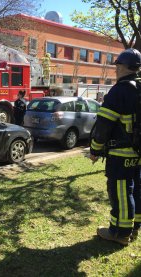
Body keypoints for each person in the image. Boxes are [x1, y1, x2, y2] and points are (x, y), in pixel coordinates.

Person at [90, 48, 141, 246]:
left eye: (117, 65)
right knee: (136, 188)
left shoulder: (120, 90)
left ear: (122, 66)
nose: (115, 69)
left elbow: (103, 125)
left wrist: (95, 150)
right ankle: (135, 226)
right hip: (138, 152)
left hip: (120, 153)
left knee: (120, 191)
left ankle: (119, 233)